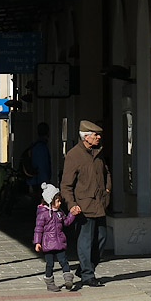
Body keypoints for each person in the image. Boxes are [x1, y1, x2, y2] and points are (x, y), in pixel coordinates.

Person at [59, 120, 111, 288]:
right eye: (95, 134)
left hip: (100, 205)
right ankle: (88, 275)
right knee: (85, 241)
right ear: (86, 137)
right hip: (83, 207)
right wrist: (71, 204)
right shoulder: (74, 155)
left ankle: (84, 268)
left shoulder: (98, 152)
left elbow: (107, 173)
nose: (99, 137)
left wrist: (108, 190)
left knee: (102, 238)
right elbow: (66, 185)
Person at [33, 182, 80, 292]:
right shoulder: (43, 214)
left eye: (59, 201)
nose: (59, 203)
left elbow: (66, 222)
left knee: (64, 261)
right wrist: (37, 242)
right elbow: (38, 229)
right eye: (57, 201)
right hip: (48, 244)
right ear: (50, 201)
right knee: (50, 264)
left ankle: (68, 279)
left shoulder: (59, 213)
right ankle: (50, 283)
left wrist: (72, 214)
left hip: (59, 242)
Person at [22, 123, 52, 201]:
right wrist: (46, 183)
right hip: (39, 181)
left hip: (34, 180)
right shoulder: (42, 147)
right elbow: (43, 166)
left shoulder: (35, 145)